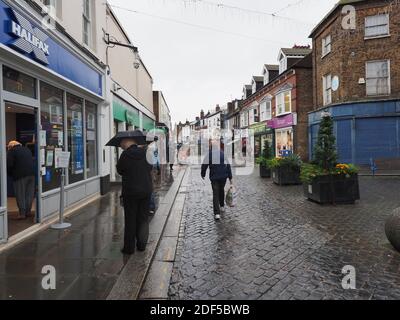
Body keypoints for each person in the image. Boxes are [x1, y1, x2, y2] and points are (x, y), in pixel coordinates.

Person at [117, 133, 153, 255]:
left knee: (130, 219)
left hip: (131, 192)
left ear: (127, 141)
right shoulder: (145, 153)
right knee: (143, 219)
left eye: (121, 143)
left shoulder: (125, 155)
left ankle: (129, 248)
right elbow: (150, 167)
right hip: (145, 190)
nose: (120, 145)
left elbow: (120, 170)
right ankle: (142, 245)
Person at [201, 140, 233, 221]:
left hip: (214, 177)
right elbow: (228, 165)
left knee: (215, 194)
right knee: (221, 190)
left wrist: (203, 174)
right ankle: (222, 206)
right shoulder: (222, 153)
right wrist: (230, 178)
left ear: (211, 147)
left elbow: (204, 165)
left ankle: (217, 213)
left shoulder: (209, 154)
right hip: (223, 177)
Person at [6, 141, 35, 220]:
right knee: (29, 194)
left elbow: (9, 165)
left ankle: (22, 214)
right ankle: (28, 211)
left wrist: (10, 174)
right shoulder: (27, 149)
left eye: (8, 147)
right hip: (32, 174)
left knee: (20, 194)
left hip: (20, 176)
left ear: (11, 146)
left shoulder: (12, 151)